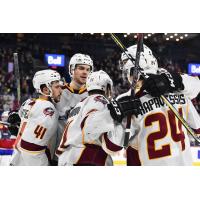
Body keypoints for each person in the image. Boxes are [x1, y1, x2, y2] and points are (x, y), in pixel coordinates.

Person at [118, 44, 200, 166]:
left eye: (127, 69)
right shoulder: (180, 92)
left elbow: (114, 145)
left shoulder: (127, 99)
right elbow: (197, 128)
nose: (127, 75)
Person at [56, 70, 140, 166]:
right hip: (85, 157)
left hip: (67, 158)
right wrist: (120, 114)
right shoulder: (99, 100)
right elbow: (92, 130)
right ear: (107, 87)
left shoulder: (80, 104)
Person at [10, 69, 62, 166]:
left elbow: (20, 121)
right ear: (46, 89)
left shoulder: (28, 102)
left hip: (18, 156)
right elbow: (32, 146)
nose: (60, 90)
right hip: (34, 160)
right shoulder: (48, 109)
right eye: (57, 87)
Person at [52, 53, 93, 164]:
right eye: (81, 68)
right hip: (57, 156)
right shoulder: (57, 91)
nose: (85, 72)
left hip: (81, 156)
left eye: (88, 69)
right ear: (72, 69)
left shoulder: (93, 96)